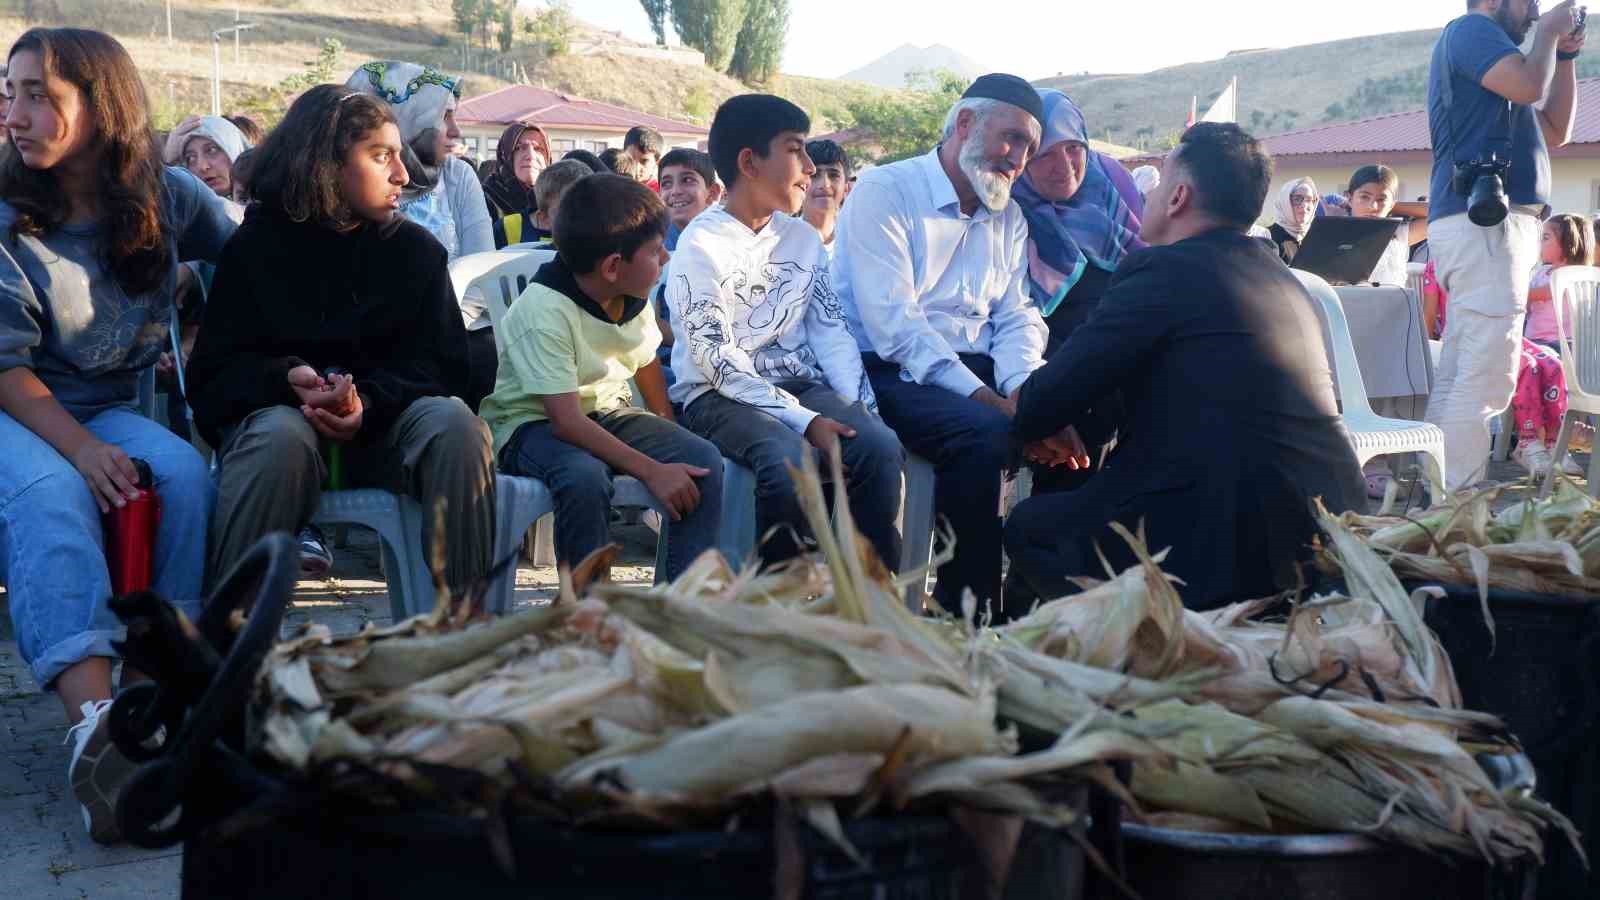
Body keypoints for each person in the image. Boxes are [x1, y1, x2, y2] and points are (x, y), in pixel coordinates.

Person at [0, 27, 235, 844]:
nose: (14, 115)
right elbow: (6, 370)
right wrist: (85, 450)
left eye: (38, 95)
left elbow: (248, 258)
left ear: (100, 110)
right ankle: (94, 726)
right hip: (12, 404)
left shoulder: (167, 196)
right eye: (10, 92)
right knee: (54, 492)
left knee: (185, 478)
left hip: (102, 402)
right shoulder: (4, 214)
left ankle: (146, 702)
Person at [1004, 123, 1367, 613]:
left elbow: (1043, 401)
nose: (1140, 199)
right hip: (1330, 534)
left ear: (1176, 196)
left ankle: (1122, 667)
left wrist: (1037, 423)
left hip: (1227, 546)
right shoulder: (1280, 275)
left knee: (1033, 529)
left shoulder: (1164, 271)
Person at [187, 84, 495, 609]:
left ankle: (463, 634)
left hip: (387, 436)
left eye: (399, 156)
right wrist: (285, 380)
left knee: (456, 425)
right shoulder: (255, 249)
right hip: (283, 441)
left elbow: (448, 371)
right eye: (382, 157)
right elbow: (212, 381)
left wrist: (366, 402)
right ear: (325, 163)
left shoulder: (415, 253)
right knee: (279, 436)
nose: (403, 175)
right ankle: (228, 647)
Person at [833, 74, 1048, 608]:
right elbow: (895, 326)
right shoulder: (887, 190)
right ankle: (968, 608)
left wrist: (1024, 389)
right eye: (1013, 138)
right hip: (887, 368)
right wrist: (991, 401)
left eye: (1029, 147)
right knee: (985, 435)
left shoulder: (1009, 216)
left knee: (1078, 416)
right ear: (966, 124)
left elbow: (1017, 314)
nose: (1019, 158)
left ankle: (1043, 599)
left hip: (973, 371)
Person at [669, 94, 903, 568]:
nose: (810, 168)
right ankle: (780, 604)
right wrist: (807, 421)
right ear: (749, 162)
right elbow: (715, 360)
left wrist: (864, 412)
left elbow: (831, 333)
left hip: (796, 385)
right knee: (790, 460)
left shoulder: (801, 239)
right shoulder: (702, 244)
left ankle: (869, 606)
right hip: (716, 396)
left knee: (877, 448)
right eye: (796, 149)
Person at [482, 174, 722, 578]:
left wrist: (666, 428)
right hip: (532, 423)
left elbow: (645, 360)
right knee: (583, 477)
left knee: (703, 460)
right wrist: (651, 469)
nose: (665, 259)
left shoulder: (632, 293)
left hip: (608, 409)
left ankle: (681, 604)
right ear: (613, 266)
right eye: (656, 250)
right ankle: (590, 614)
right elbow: (567, 422)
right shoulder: (543, 312)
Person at [1426, 0, 1585, 491]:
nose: (1536, 9)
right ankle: (1457, 502)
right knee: (1485, 374)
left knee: (1462, 371)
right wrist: (1551, 33)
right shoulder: (1473, 29)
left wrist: (1563, 57)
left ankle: (1440, 500)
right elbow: (1528, 86)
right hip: (1486, 231)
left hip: (1484, 229)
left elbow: (1556, 130)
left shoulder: (1497, 68)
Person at [463, 159, 592, 408]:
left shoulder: (608, 266)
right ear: (544, 219)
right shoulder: (515, 267)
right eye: (568, 209)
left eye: (589, 206)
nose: (582, 218)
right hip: (530, 391)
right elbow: (469, 304)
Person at [1511, 213, 1593, 476]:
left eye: (1545, 237)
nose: (1539, 243)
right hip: (1541, 345)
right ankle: (1553, 442)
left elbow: (1525, 296)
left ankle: (1556, 442)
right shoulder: (1542, 272)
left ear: (1569, 244)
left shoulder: (1570, 276)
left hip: (1567, 347)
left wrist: (1509, 288)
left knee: (1554, 365)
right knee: (1547, 365)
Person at [656, 148, 722, 376]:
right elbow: (651, 322)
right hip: (671, 359)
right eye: (666, 183)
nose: (675, 191)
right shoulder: (654, 245)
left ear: (713, 193)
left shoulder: (728, 240)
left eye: (687, 180)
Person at [1343, 164, 1427, 286]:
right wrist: (1386, 204)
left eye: (1381, 199)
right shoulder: (1335, 233)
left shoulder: (1399, 234)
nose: (1373, 207)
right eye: (1364, 197)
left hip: (1394, 304)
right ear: (1349, 198)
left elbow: (1438, 212)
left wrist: (1391, 206)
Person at [481, 121, 551, 245]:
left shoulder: (557, 200)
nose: (530, 155)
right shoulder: (486, 199)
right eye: (520, 148)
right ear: (507, 154)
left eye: (538, 149)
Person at [163, 115, 251, 202]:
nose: (203, 167)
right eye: (191, 158)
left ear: (234, 148)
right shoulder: (186, 212)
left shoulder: (261, 206)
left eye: (212, 150)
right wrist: (167, 161)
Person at [800, 138, 850, 261]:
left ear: (846, 188)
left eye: (833, 175)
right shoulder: (778, 241)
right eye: (814, 175)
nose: (825, 184)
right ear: (797, 183)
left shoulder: (858, 242)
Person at [1268, 176, 1317, 265]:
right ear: (1285, 201)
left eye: (1309, 200)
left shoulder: (1315, 239)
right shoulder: (1268, 238)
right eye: (1297, 199)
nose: (1304, 205)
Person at [624, 124, 664, 189]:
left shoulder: (660, 194)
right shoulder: (617, 188)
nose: (636, 168)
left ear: (657, 163)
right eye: (630, 160)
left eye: (644, 162)